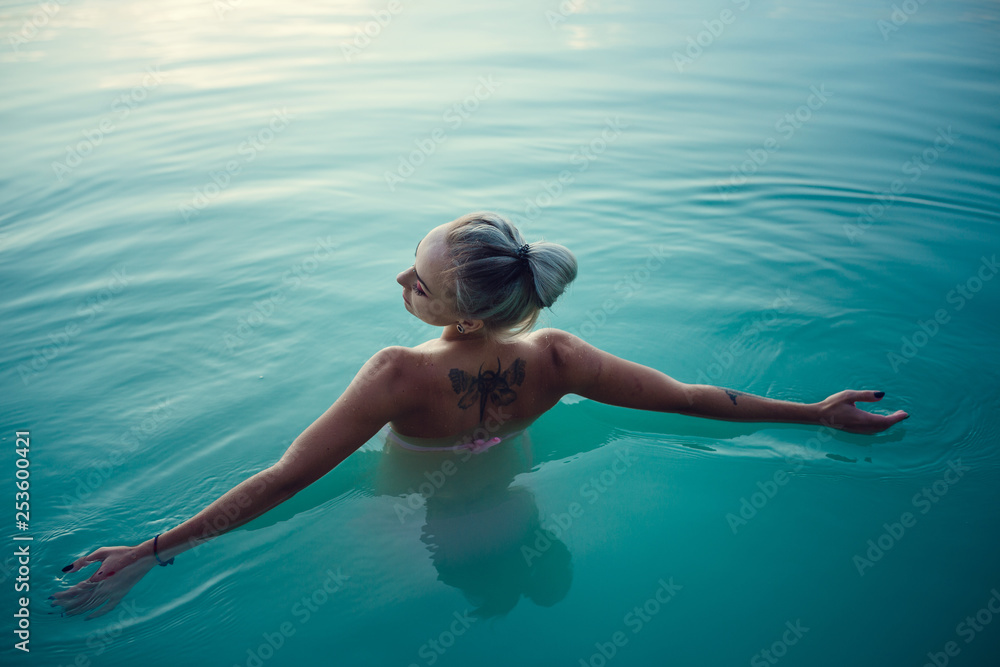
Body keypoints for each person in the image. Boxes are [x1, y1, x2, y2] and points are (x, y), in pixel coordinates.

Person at [52, 211, 909, 618]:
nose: (399, 283)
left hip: (419, 507)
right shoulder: (558, 358)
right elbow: (690, 401)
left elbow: (286, 479)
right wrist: (815, 413)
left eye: (414, 279)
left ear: (457, 311)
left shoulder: (393, 376)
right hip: (517, 491)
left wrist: (153, 549)